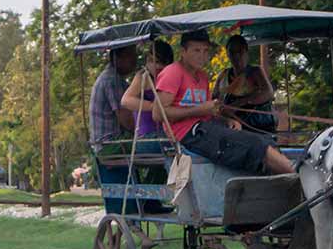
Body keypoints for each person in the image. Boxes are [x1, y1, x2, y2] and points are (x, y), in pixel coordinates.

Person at [153, 29, 294, 176]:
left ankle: (282, 181)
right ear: (183, 51)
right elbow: (158, 114)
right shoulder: (173, 72)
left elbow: (208, 112)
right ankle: (297, 177)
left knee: (264, 140)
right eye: (196, 50)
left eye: (205, 51)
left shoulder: (202, 76)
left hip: (205, 127)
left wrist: (226, 120)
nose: (202, 56)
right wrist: (200, 110)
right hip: (188, 134)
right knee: (253, 144)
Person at [213, 35, 277, 132]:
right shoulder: (223, 75)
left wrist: (238, 104)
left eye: (240, 51)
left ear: (246, 51)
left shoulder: (255, 72)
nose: (236, 56)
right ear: (227, 54)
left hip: (257, 127)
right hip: (232, 126)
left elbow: (268, 93)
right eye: (232, 52)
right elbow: (214, 99)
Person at [120, 39, 174, 139]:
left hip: (165, 132)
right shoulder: (143, 77)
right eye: (152, 61)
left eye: (161, 64)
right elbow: (126, 100)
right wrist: (153, 106)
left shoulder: (171, 78)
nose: (156, 67)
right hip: (148, 136)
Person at [89, 44, 137, 144]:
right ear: (118, 59)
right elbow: (127, 120)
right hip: (110, 145)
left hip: (115, 142)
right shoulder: (112, 80)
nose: (135, 60)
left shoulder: (118, 79)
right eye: (131, 55)